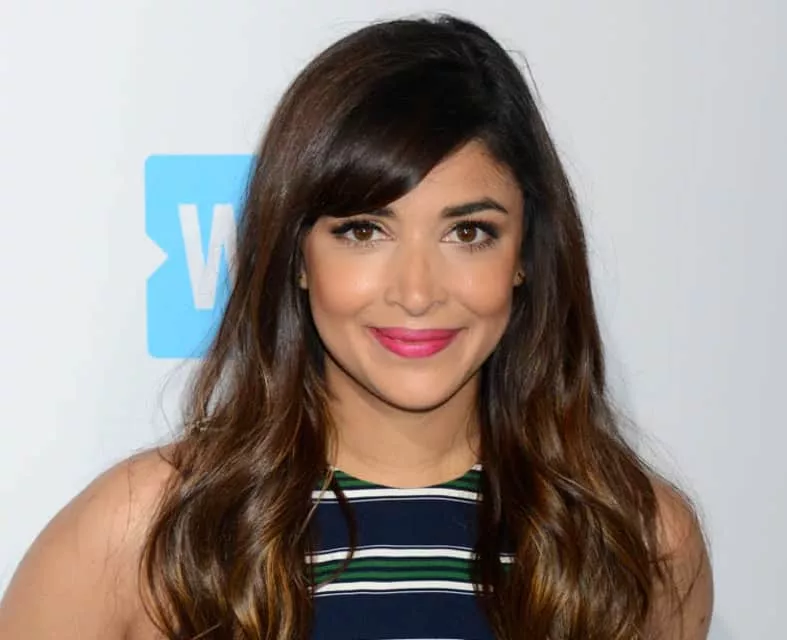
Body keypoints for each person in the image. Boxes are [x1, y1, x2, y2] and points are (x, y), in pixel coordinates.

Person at [0, 14, 713, 640]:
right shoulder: (146, 535)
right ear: (297, 255)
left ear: (525, 255)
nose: (416, 292)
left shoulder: (639, 539)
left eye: (467, 232)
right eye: (364, 230)